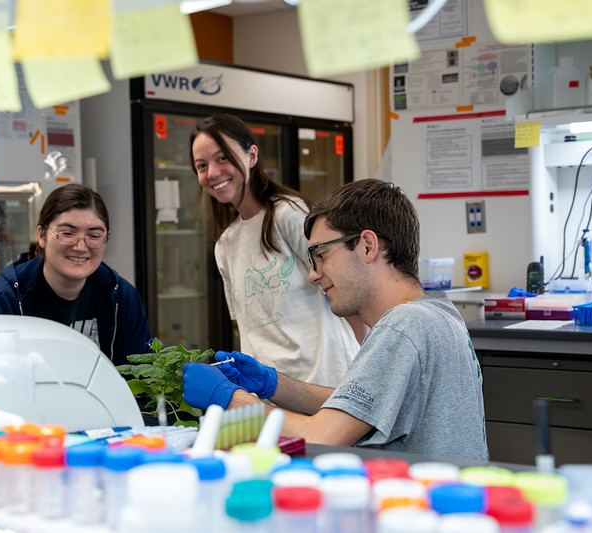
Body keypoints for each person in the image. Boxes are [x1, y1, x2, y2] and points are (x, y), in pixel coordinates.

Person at [181, 179, 488, 460]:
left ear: (367, 245)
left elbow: (323, 436)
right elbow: (362, 407)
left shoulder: (403, 327)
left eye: (321, 255)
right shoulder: (438, 313)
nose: (313, 274)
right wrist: (273, 384)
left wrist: (229, 398)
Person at [190, 114, 367, 387]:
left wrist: (366, 366)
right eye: (202, 165)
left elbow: (347, 291)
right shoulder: (225, 244)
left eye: (222, 158)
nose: (212, 172)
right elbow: (251, 330)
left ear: (251, 156)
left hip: (328, 384)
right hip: (273, 393)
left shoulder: (289, 213)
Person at [0, 183, 151, 364]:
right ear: (41, 235)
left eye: (94, 235)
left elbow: (140, 384)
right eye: (67, 233)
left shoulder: (122, 298)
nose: (80, 247)